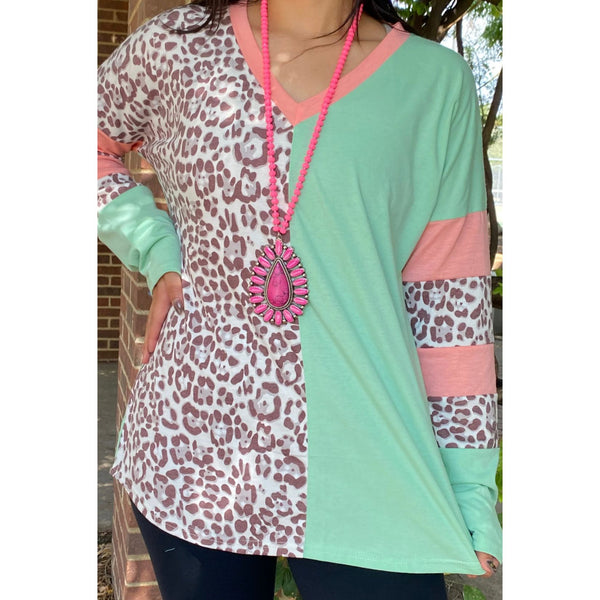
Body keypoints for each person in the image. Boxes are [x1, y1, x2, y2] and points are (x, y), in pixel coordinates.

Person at [97, 1, 502, 598]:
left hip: (370, 453)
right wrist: (155, 247)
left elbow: (449, 303)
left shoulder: (434, 83)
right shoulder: (175, 45)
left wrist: (469, 486)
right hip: (193, 443)